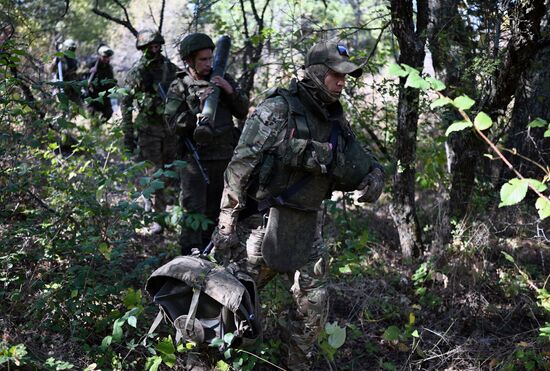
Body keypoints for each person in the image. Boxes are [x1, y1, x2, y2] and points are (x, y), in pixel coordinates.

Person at [210, 40, 385, 369]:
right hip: (262, 226)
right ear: (317, 72)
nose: (342, 82)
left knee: (313, 309)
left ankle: (298, 365)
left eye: (345, 76)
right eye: (336, 75)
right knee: (232, 301)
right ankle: (211, 357)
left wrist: (375, 175)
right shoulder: (278, 109)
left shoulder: (333, 117)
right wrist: (226, 222)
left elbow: (359, 160)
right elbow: (240, 166)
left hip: (308, 228)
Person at [164, 33, 248, 254]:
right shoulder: (180, 86)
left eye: (211, 58)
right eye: (203, 60)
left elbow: (242, 111)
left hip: (224, 157)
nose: (209, 64)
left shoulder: (222, 78)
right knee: (194, 212)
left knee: (220, 212)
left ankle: (212, 258)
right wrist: (196, 107)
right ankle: (187, 262)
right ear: (189, 60)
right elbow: (173, 124)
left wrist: (229, 91)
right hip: (195, 160)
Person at [121, 29, 180, 234]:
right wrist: (127, 134)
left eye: (157, 46)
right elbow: (126, 103)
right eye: (150, 47)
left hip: (170, 129)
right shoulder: (137, 72)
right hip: (148, 130)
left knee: (170, 173)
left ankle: (164, 212)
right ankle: (156, 219)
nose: (154, 50)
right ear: (143, 49)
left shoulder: (171, 69)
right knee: (155, 174)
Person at [85, 44, 116, 120]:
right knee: (92, 115)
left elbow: (111, 81)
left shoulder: (109, 68)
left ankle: (100, 125)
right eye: (104, 57)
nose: (106, 59)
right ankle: (93, 127)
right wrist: (89, 73)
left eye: (108, 57)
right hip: (93, 97)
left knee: (108, 112)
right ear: (99, 56)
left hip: (104, 97)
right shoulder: (92, 65)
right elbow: (82, 79)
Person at [48, 38, 81, 104]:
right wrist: (55, 62)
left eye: (73, 49)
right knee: (63, 108)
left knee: (77, 108)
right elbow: (51, 70)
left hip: (73, 88)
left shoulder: (74, 60)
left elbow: (76, 72)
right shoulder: (60, 59)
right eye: (71, 49)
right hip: (61, 87)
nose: (72, 51)